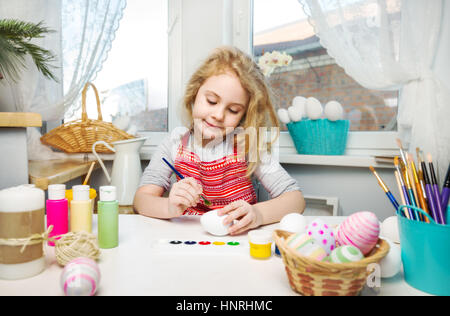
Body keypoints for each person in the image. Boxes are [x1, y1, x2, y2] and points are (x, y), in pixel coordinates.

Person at [134, 46, 305, 235]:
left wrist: (258, 214)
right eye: (211, 101)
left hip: (238, 240)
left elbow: (296, 200)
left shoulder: (246, 144)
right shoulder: (174, 143)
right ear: (194, 93)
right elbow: (141, 201)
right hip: (188, 240)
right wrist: (170, 207)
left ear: (243, 115)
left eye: (233, 110)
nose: (218, 115)